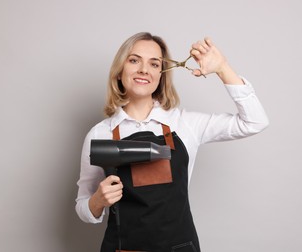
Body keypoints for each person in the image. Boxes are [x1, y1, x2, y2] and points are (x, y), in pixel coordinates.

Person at [75, 32, 269, 252]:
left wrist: (223, 68)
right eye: (134, 60)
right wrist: (97, 201)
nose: (144, 70)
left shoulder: (185, 124)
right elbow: (83, 206)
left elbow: (254, 122)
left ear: (161, 75)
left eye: (154, 64)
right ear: (120, 71)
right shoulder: (100, 134)